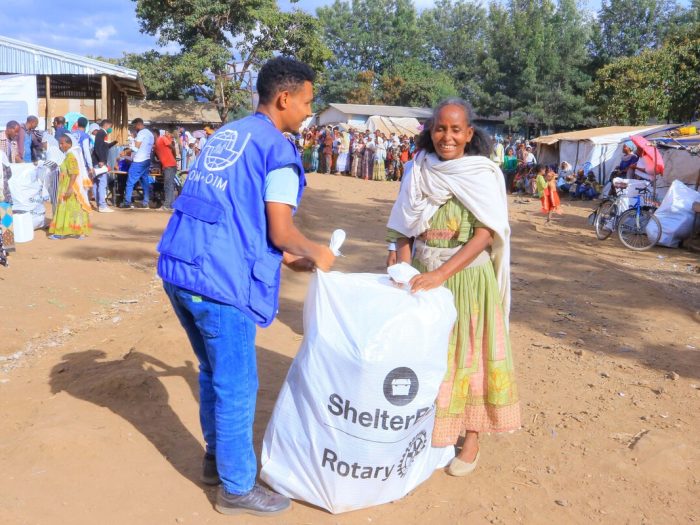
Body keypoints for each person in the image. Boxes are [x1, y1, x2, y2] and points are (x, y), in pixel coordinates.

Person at [157, 57, 335, 517]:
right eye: (308, 103)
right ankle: (236, 487)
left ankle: (216, 461)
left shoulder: (229, 134)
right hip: (219, 280)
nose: (308, 112)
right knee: (237, 384)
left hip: (182, 267)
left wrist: (291, 262)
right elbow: (280, 231)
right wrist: (317, 251)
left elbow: (239, 212)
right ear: (284, 99)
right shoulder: (277, 150)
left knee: (211, 371)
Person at [387, 98, 520, 477]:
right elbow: (402, 225)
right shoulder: (417, 169)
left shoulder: (482, 174)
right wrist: (400, 259)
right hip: (421, 275)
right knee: (430, 355)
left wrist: (440, 275)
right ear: (431, 131)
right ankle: (432, 430)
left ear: (469, 134)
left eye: (455, 129)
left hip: (465, 279)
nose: (447, 136)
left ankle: (472, 437)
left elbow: (484, 234)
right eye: (440, 128)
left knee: (468, 355)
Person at [48, 135, 92, 240]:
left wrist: (69, 188)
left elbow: (74, 173)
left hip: (69, 186)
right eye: (60, 143)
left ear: (69, 144)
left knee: (65, 208)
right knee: (74, 209)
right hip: (67, 185)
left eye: (62, 143)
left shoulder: (71, 156)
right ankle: (78, 231)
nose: (60, 145)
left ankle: (61, 232)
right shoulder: (69, 155)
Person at [120, 118, 155, 208]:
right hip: (147, 160)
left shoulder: (141, 133)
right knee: (145, 181)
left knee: (130, 182)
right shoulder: (150, 134)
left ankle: (127, 202)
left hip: (139, 161)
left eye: (134, 126)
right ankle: (145, 202)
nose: (134, 128)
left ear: (139, 124)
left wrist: (126, 152)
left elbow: (136, 148)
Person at [92, 119, 117, 213]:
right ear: (106, 125)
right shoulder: (101, 133)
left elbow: (104, 147)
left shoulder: (101, 134)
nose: (111, 129)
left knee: (96, 183)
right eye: (110, 127)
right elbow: (98, 147)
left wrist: (114, 142)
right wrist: (102, 160)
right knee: (102, 183)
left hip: (96, 161)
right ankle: (102, 205)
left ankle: (99, 204)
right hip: (99, 162)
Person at [154, 127, 178, 211]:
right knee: (169, 185)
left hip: (170, 165)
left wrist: (174, 158)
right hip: (168, 165)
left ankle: (167, 205)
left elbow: (172, 147)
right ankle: (171, 205)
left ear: (155, 134)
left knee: (168, 185)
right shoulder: (156, 144)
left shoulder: (162, 139)